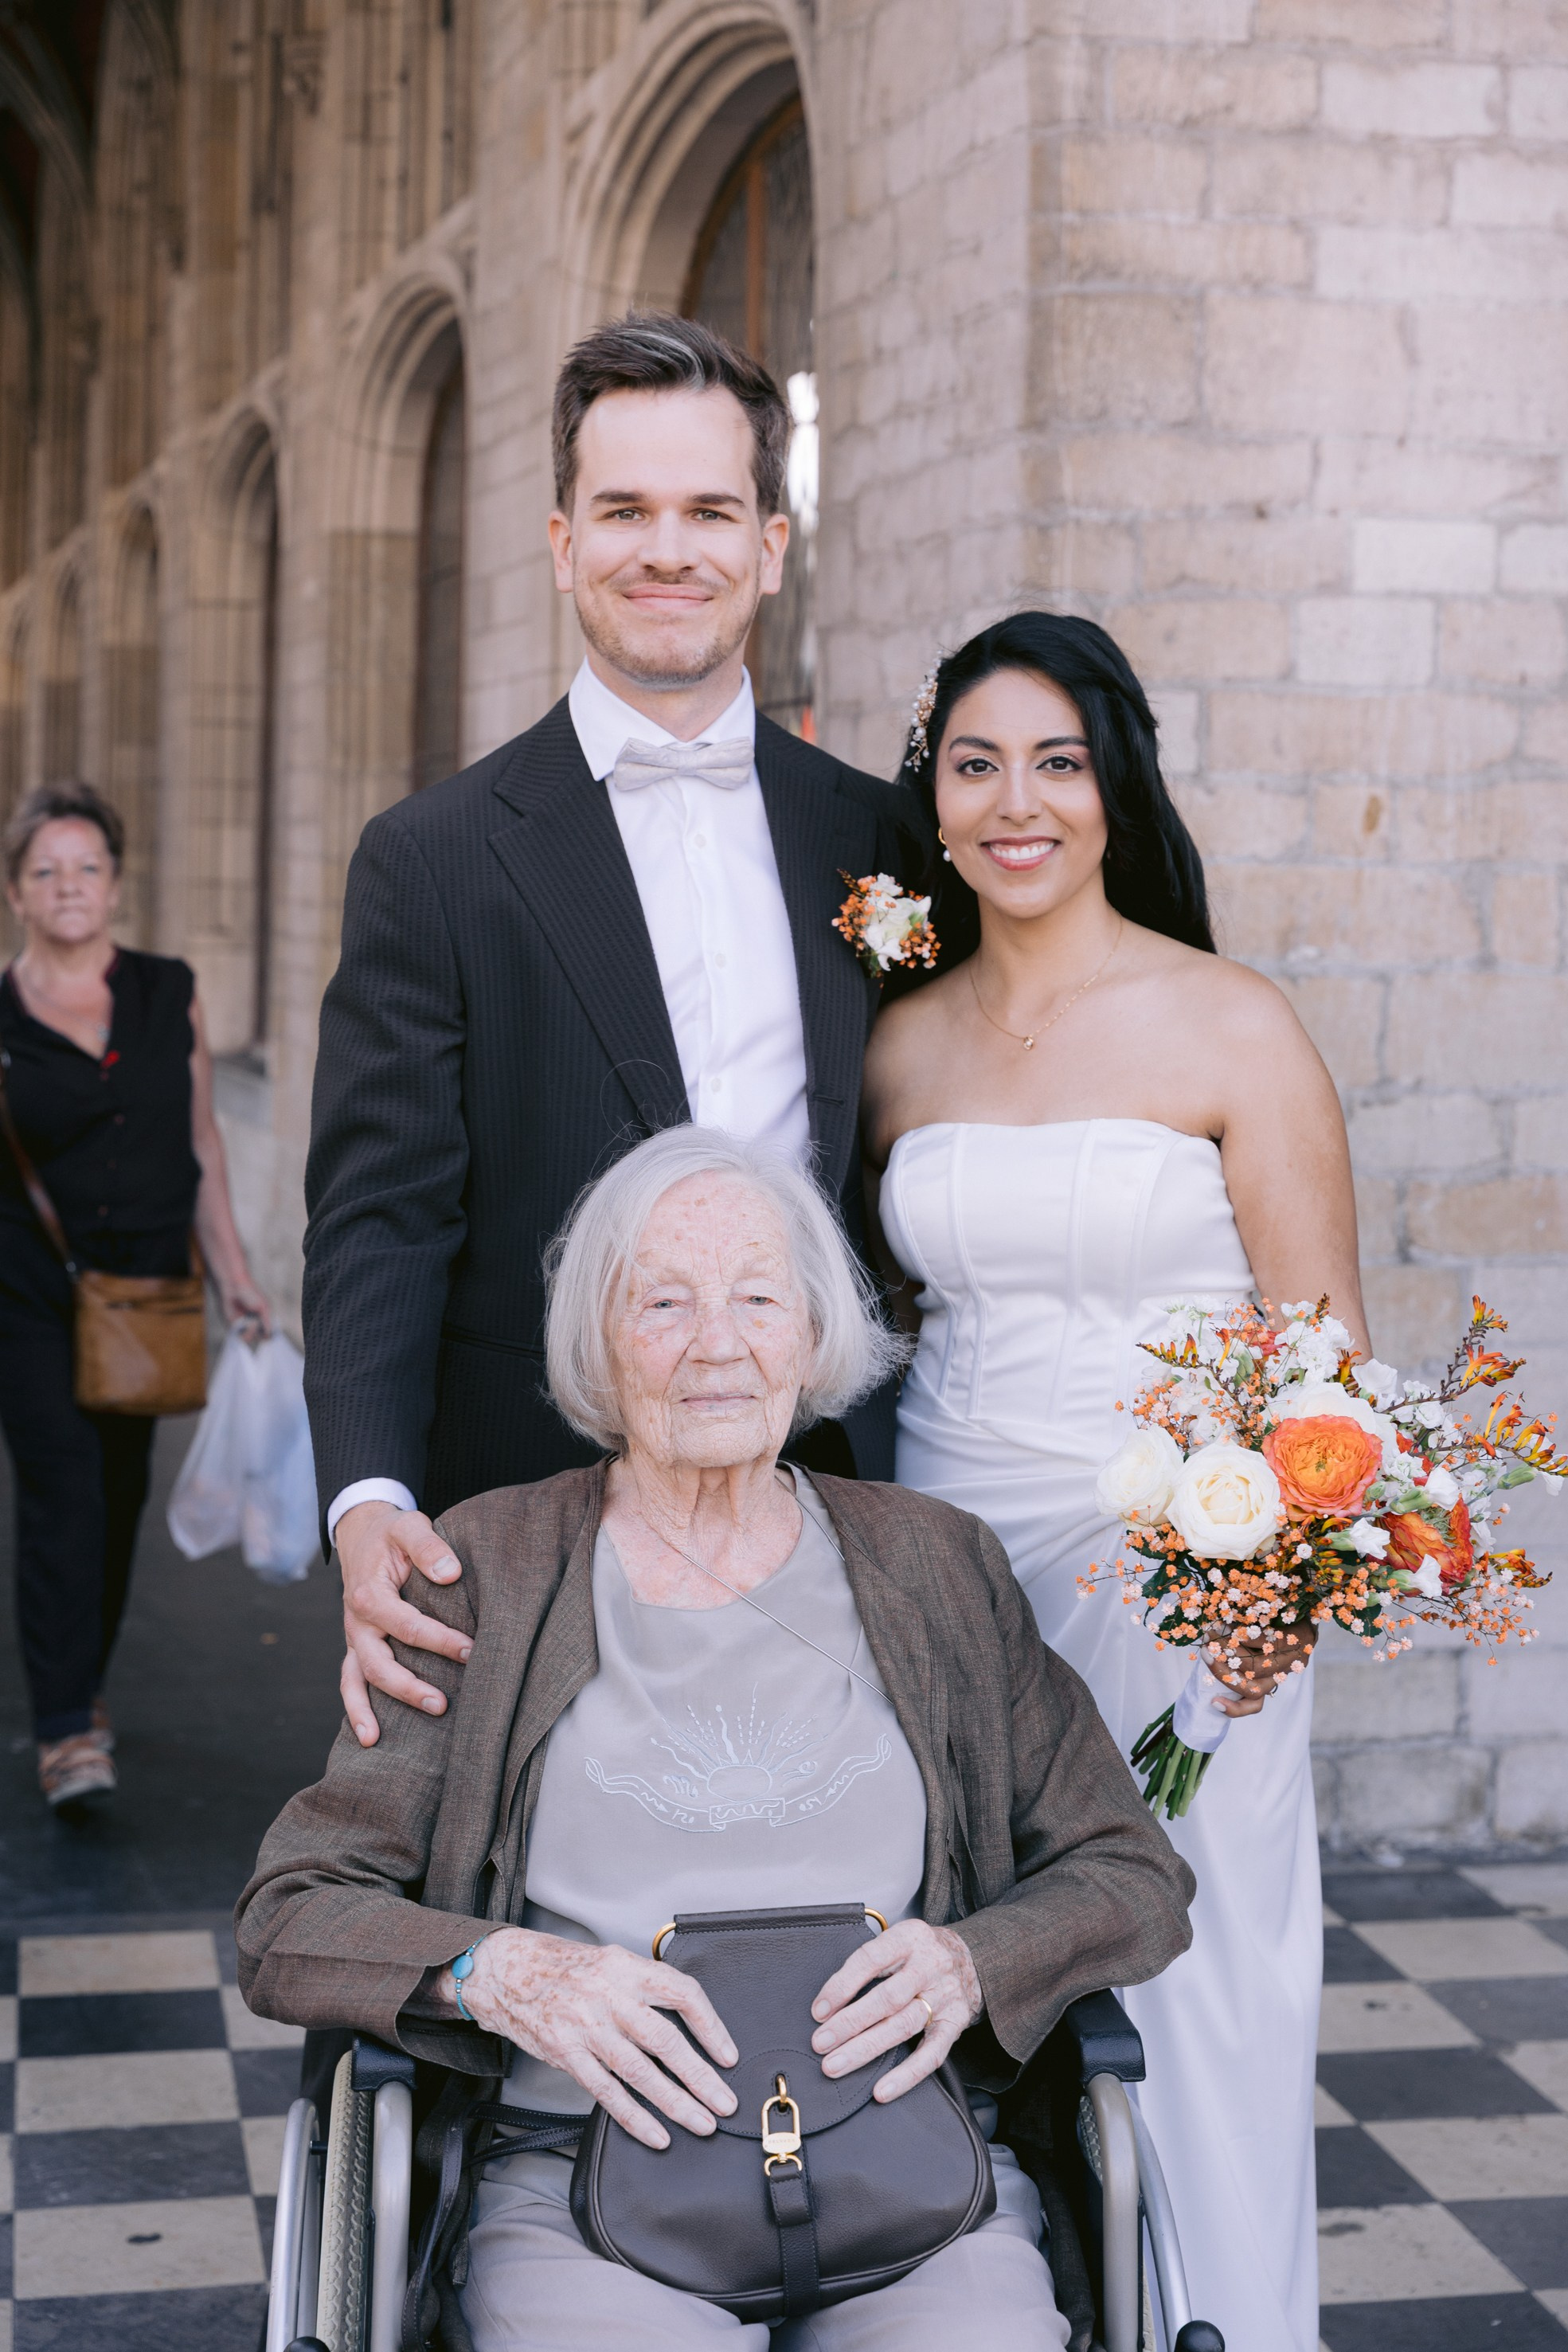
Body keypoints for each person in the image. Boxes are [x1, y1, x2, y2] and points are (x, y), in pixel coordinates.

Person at [239, 1128, 1193, 2351]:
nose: (715, 1343)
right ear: (599, 1338)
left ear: (810, 1334)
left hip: (908, 2173)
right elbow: (292, 1911)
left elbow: (1132, 1872)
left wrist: (974, 1960)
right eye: (663, 1301)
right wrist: (502, 1971)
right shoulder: (485, 1569)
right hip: (582, 2183)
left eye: (757, 1296)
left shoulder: (934, 1563)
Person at [307, 311, 929, 1748]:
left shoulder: (877, 836)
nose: (669, 550)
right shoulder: (436, 854)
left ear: (772, 542)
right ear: (561, 539)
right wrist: (369, 1495)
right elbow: (376, 1215)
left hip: (835, 1495)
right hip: (530, 1504)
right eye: (624, 511)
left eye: (710, 509)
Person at [859, 611, 1369, 2352]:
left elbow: (1327, 1375)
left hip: (1182, 1581)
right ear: (932, 798)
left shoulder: (1232, 1024)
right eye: (977, 763)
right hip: (948, 1565)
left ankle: (1222, 2323)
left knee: (1198, 1980)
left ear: (1112, 787)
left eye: (1057, 764)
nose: (1018, 803)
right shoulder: (898, 1047)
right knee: (964, 1961)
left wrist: (1270, 1601)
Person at [0, 782, 269, 1811]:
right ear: (19, 892)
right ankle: (67, 1728)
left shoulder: (169, 990)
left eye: (87, 867)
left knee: (116, 1501)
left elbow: (201, 1139)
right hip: (28, 1292)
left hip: (148, 1292)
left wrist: (236, 1276)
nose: (70, 886)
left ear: (115, 882)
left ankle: (87, 1683)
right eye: (45, 871)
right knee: (62, 1491)